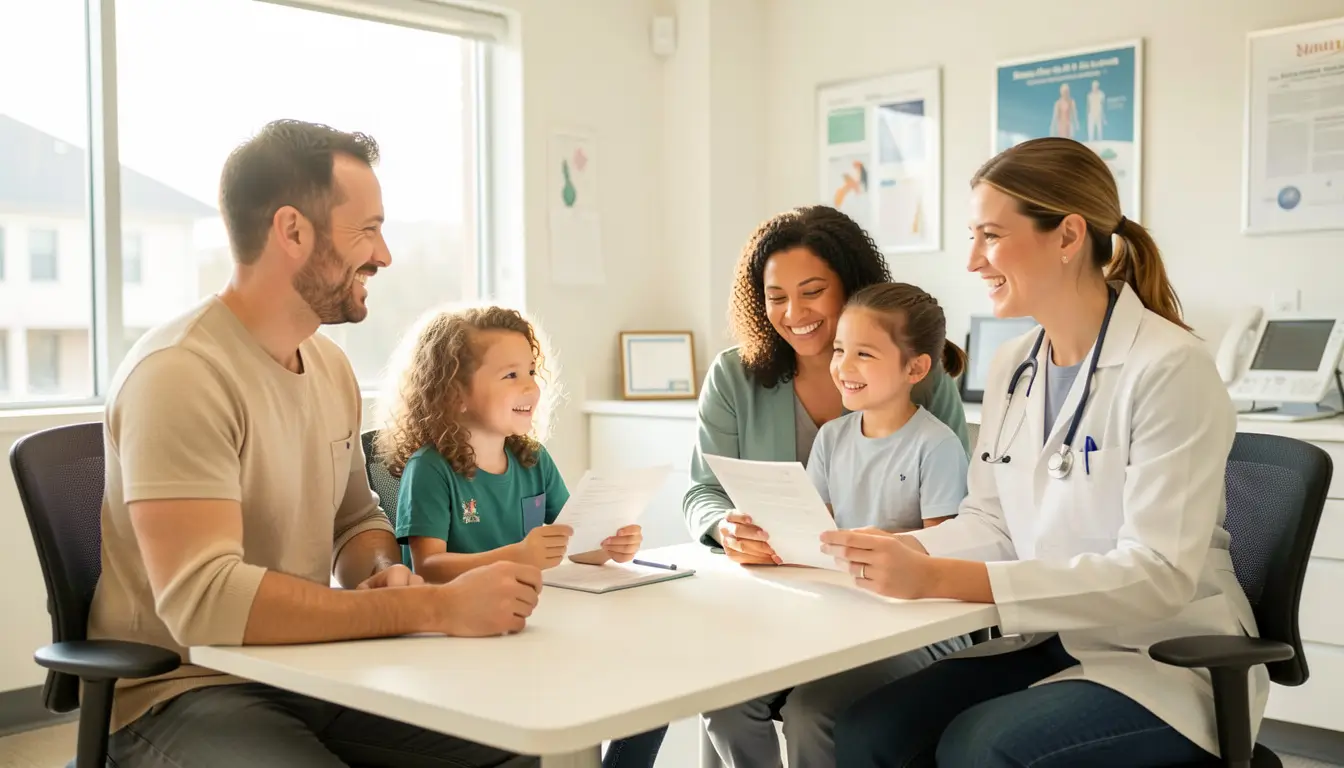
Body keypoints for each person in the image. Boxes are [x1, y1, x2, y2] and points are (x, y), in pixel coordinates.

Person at [92, 119, 542, 767]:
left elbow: (356, 519)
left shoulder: (329, 369)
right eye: (367, 230)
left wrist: (379, 573)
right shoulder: (180, 373)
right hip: (184, 688)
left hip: (310, 670)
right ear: (292, 231)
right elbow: (204, 603)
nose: (384, 255)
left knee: (515, 748)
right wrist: (429, 605)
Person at [822, 136, 1258, 767]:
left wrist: (940, 576)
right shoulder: (1013, 366)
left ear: (1067, 235)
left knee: (981, 747)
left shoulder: (1169, 367)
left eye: (991, 236)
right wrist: (901, 550)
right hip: (1055, 638)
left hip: (1164, 657)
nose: (973, 260)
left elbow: (1158, 576)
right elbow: (991, 520)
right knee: (867, 730)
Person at [685, 207, 970, 768]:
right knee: (720, 698)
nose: (794, 313)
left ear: (852, 289)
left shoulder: (919, 380)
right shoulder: (735, 377)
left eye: (813, 292)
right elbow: (702, 492)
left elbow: (961, 523)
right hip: (798, 597)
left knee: (812, 711)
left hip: (894, 607)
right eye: (776, 296)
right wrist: (726, 527)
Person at [377, 304, 667, 768]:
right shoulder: (429, 469)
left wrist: (608, 545)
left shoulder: (533, 460)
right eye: (510, 375)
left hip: (536, 627)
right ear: (456, 394)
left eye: (531, 371)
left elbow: (570, 539)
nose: (531, 386)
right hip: (466, 646)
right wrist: (519, 555)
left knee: (655, 690)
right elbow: (428, 567)